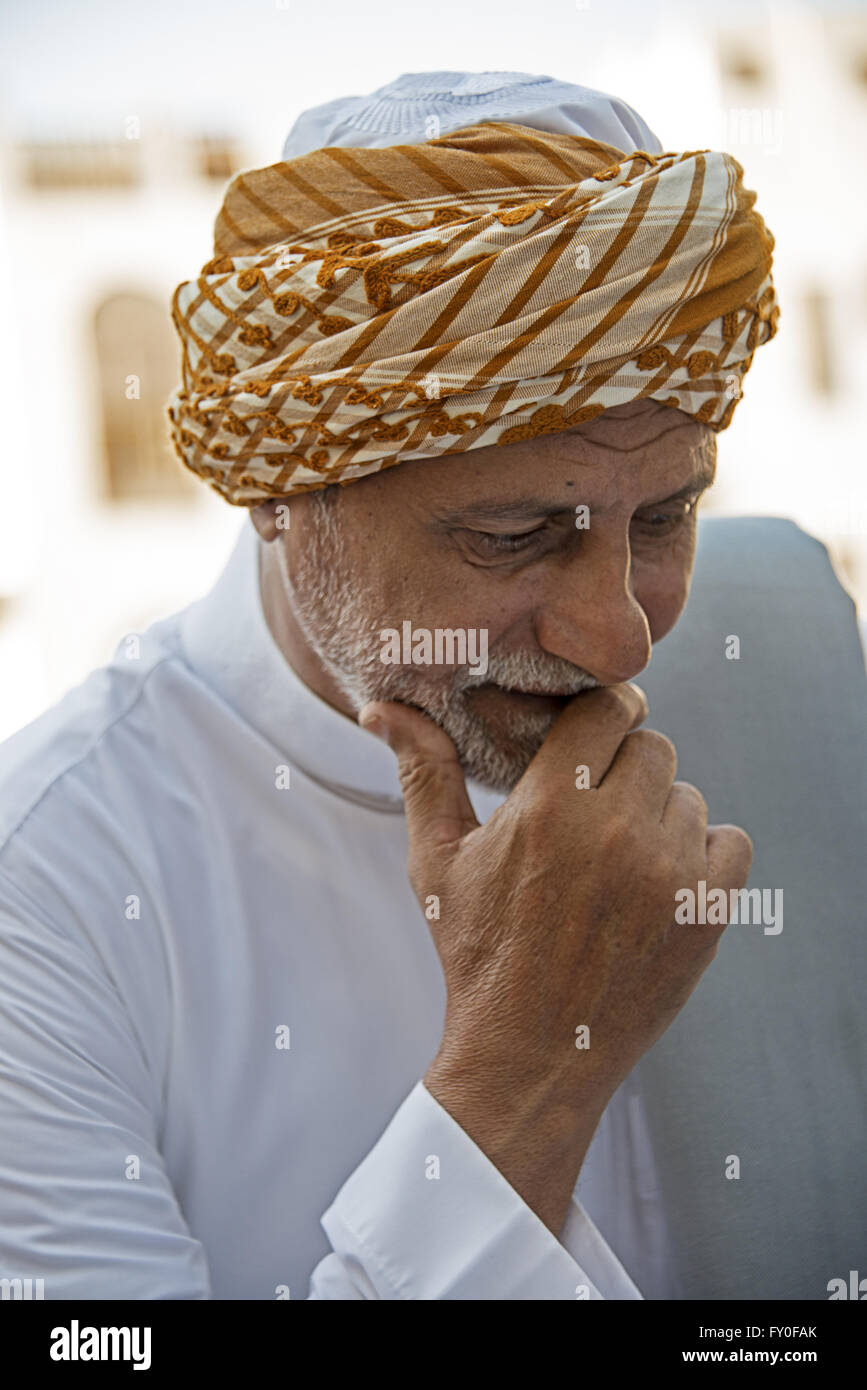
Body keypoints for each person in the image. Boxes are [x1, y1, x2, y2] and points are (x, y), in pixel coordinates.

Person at [0, 71, 796, 1300]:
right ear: (281, 496)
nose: (622, 639)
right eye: (515, 534)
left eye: (667, 516)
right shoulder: (45, 891)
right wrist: (517, 1084)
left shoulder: (804, 679)